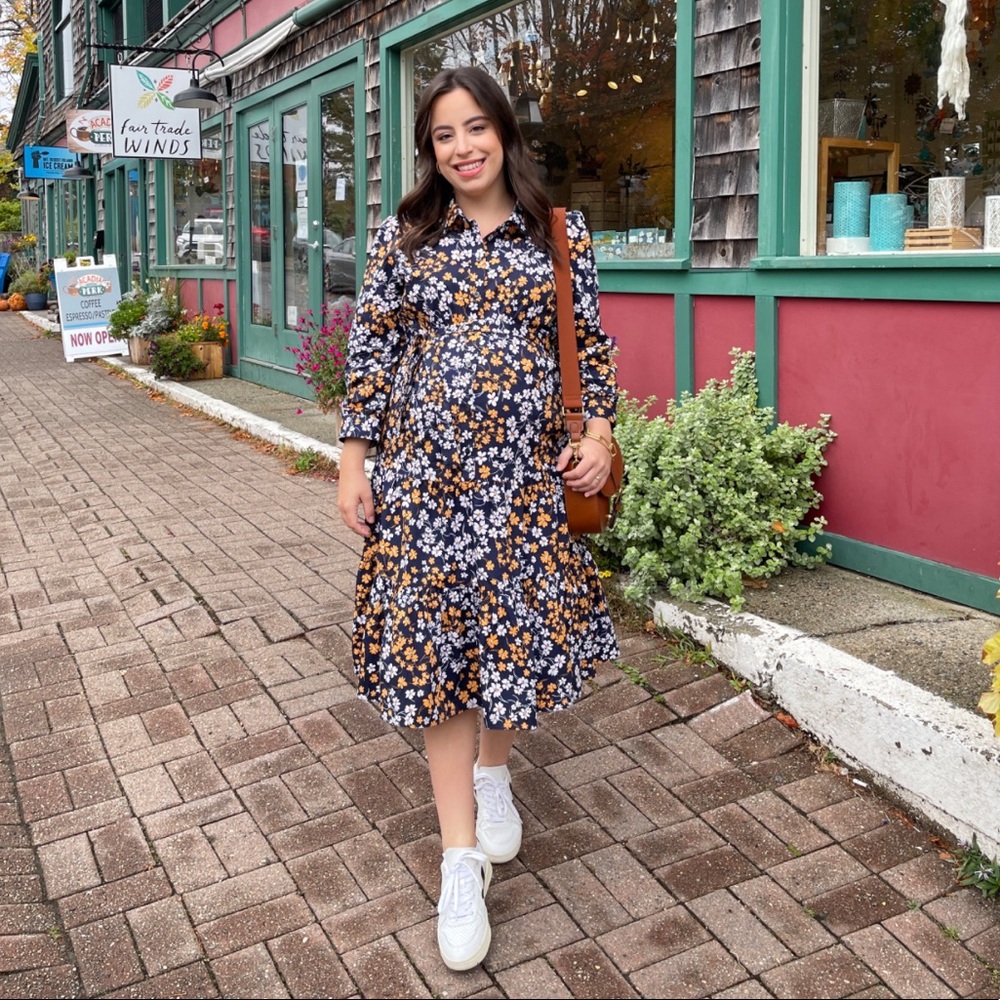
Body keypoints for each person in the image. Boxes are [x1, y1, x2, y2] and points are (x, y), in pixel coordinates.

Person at [337, 65, 619, 972]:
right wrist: (353, 458)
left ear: (504, 132)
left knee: (500, 639)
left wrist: (603, 436)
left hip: (523, 487)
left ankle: (494, 772)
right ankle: (460, 861)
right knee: (439, 655)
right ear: (429, 149)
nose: (460, 149)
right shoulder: (408, 235)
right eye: (442, 136)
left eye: (474, 129)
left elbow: (593, 352)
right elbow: (373, 350)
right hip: (425, 486)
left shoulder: (561, 236)